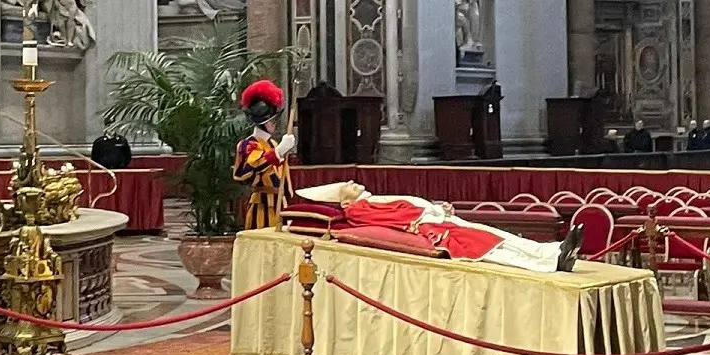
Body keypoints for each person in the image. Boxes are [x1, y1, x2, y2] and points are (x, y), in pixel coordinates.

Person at [297, 182, 584, 274]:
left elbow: (408, 205)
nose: (355, 183)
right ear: (345, 199)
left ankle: (553, 251)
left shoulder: (369, 199)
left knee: (498, 236)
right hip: (431, 229)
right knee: (490, 246)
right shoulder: (358, 208)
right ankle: (549, 262)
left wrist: (436, 208)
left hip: (436, 219)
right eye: (349, 185)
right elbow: (395, 219)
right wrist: (430, 217)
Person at [233, 79, 295, 230]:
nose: (274, 123)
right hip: (261, 207)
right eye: (271, 120)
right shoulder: (248, 144)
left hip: (280, 203)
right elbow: (246, 171)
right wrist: (278, 152)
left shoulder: (273, 144)